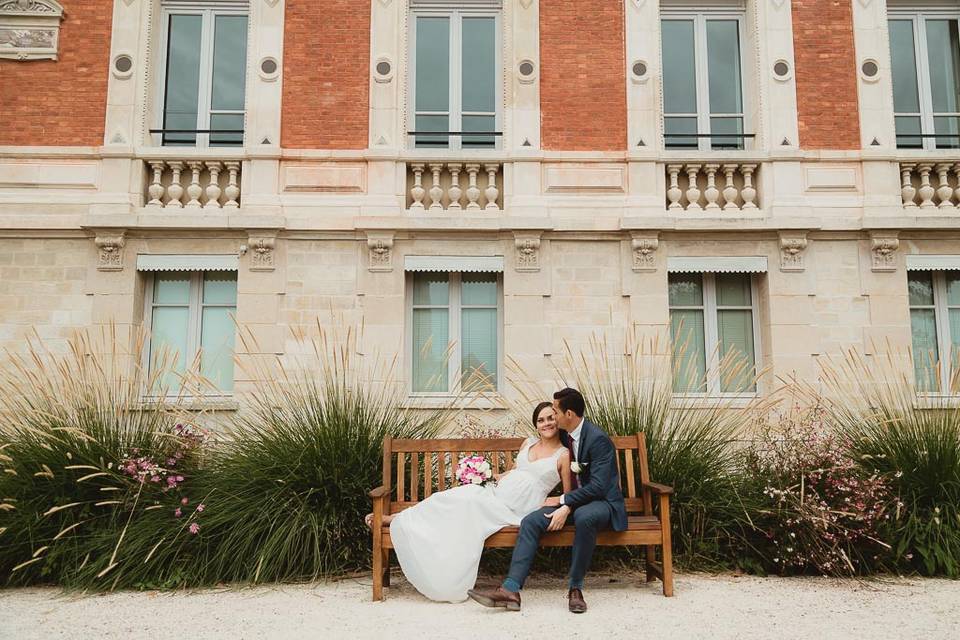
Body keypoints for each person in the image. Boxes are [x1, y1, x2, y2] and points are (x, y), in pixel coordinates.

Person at [365, 402, 572, 603]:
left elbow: (569, 494)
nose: (547, 423)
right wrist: (490, 475)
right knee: (451, 497)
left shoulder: (563, 454)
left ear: (558, 419)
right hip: (496, 492)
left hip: (516, 509)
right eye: (541, 420)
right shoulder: (528, 443)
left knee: (468, 503)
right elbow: (517, 471)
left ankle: (395, 520)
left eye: (551, 418)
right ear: (536, 424)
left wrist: (552, 501)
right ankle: (397, 518)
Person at [467, 387, 627, 614]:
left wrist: (565, 503)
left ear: (568, 414)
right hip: (573, 501)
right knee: (531, 521)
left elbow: (599, 487)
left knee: (585, 517)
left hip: (601, 502)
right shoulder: (564, 435)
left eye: (555, 412)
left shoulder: (597, 439)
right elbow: (544, 449)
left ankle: (575, 588)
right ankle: (510, 589)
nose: (552, 417)